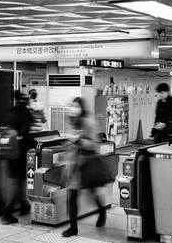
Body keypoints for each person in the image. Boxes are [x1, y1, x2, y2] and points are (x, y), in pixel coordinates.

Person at [62, 97, 107, 238]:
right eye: (72, 106)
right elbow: (71, 142)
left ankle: (101, 211)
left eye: (76, 106)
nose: (73, 109)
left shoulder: (89, 122)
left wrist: (78, 140)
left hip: (86, 164)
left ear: (82, 108)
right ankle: (73, 227)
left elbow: (94, 144)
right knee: (72, 196)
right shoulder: (72, 122)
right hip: (74, 164)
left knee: (92, 193)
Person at [1, 91, 33, 225]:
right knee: (19, 182)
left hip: (9, 152)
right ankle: (7, 214)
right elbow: (26, 131)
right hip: (20, 152)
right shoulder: (26, 113)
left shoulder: (10, 112)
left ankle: (24, 205)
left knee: (19, 181)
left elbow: (5, 129)